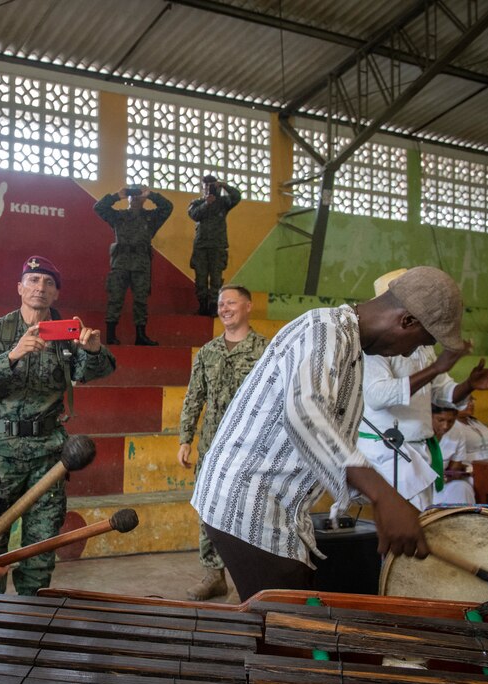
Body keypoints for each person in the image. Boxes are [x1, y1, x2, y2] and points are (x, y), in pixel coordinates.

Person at [191, 266, 467, 600]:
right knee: (287, 623)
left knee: (301, 607)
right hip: (245, 502)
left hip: (279, 508)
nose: (410, 354)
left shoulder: (352, 351)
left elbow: (332, 441)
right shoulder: (322, 328)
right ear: (406, 321)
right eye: (417, 343)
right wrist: (383, 495)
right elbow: (306, 413)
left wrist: (383, 502)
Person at [0, 257, 116, 631]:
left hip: (49, 455)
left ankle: (29, 629)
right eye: (32, 280)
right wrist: (13, 355)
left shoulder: (67, 332)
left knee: (40, 550)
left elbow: (99, 369)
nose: (40, 287)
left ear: (56, 292)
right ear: (20, 287)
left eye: (48, 282)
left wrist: (93, 349)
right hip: (1, 454)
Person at [357, 270, 488, 511]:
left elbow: (441, 391)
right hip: (389, 451)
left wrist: (469, 385)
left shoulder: (422, 348)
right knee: (407, 526)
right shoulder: (374, 347)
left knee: (419, 524)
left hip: (419, 449)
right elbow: (377, 395)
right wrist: (435, 368)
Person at [177, 285, 266, 600]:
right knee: (207, 509)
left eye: (231, 302)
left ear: (248, 306)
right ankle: (214, 576)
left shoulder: (265, 351)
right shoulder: (208, 352)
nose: (225, 308)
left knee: (251, 511)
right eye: (220, 303)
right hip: (212, 448)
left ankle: (254, 578)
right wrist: (185, 439)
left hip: (251, 449)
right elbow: (194, 397)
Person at [94, 184, 173, 346]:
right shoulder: (118, 216)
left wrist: (151, 195)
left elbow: (167, 206)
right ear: (128, 197)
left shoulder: (152, 217)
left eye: (139, 195)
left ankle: (140, 336)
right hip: (120, 262)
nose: (136, 198)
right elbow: (99, 207)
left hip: (141, 263)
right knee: (115, 298)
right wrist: (117, 195)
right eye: (133, 194)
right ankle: (110, 336)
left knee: (141, 301)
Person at [187, 175, 241, 316]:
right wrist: (206, 204)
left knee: (216, 279)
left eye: (211, 185)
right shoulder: (197, 202)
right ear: (202, 187)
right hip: (201, 247)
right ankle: (202, 305)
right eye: (206, 185)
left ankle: (213, 306)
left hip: (217, 246)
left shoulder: (224, 202)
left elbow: (237, 196)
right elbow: (193, 215)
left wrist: (224, 185)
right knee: (200, 278)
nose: (208, 188)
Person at [430, 405, 475, 505]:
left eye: (451, 421)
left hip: (442, 483)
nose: (446, 426)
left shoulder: (457, 433)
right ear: (430, 416)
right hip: (420, 484)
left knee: (462, 487)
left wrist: (452, 475)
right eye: (440, 420)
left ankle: (464, 519)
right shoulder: (420, 434)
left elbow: (454, 468)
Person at [451, 397, 488, 463]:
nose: (471, 403)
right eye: (465, 400)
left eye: (471, 400)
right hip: (470, 468)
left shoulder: (475, 422)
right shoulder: (450, 426)